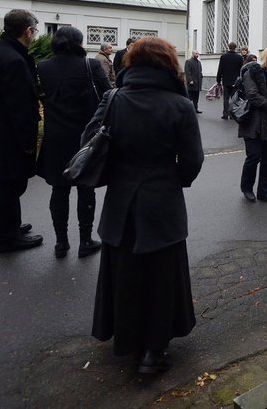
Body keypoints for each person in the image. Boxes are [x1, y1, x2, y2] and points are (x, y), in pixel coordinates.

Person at [89, 37, 204, 375]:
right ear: (169, 64)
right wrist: (175, 180)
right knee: (161, 275)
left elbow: (89, 143)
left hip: (121, 201)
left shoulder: (113, 99)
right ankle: (153, 353)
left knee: (124, 272)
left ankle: (126, 340)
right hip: (162, 200)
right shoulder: (179, 105)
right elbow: (193, 159)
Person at [36, 26, 111, 258]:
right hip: (85, 138)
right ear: (79, 43)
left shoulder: (43, 67)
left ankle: (61, 242)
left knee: (59, 189)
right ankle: (85, 240)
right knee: (85, 188)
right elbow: (108, 94)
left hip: (55, 137)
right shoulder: (90, 65)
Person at [0, 9, 44, 254]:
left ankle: (1, 225)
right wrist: (27, 141)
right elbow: (21, 106)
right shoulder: (14, 60)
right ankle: (7, 237)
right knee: (13, 184)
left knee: (7, 184)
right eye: (34, 31)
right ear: (27, 31)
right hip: (11, 136)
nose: (34, 35)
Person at [238, 46, 267, 203]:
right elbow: (252, 96)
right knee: (253, 156)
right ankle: (247, 188)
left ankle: (264, 191)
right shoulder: (253, 71)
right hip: (252, 121)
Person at [217, 42, 243, 120]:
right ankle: (232, 114)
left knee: (226, 98)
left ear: (228, 47)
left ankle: (225, 114)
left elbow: (220, 68)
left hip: (226, 80)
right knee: (234, 98)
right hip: (235, 81)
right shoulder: (239, 57)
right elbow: (241, 70)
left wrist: (218, 79)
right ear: (235, 48)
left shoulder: (223, 57)